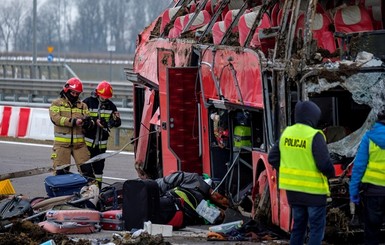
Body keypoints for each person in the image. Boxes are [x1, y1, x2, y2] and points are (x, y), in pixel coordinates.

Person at [268, 100, 335, 245]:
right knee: (316, 229)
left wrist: (287, 170)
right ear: (313, 117)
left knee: (298, 227)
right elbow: (324, 163)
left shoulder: (287, 133)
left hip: (294, 192)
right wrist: (331, 173)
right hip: (315, 193)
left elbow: (272, 157)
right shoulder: (314, 135)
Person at [349, 110, 385, 245]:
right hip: (373, 192)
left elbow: (359, 167)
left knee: (371, 232)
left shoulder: (369, 137)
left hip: (373, 193)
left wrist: (353, 193)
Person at [49, 77, 94, 177]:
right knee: (61, 173)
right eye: (72, 92)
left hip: (79, 145)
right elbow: (56, 119)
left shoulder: (83, 106)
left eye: (77, 93)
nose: (74, 95)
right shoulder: (56, 103)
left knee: (88, 172)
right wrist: (73, 121)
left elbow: (90, 121)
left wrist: (88, 123)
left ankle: (91, 191)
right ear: (67, 90)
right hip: (62, 145)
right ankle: (62, 192)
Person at [83, 81, 121, 188]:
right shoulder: (88, 102)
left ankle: (98, 191)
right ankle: (86, 190)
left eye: (107, 97)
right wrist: (95, 121)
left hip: (101, 145)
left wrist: (112, 122)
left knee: (99, 170)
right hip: (87, 144)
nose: (105, 99)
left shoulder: (111, 105)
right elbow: (83, 118)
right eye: (103, 96)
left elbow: (116, 122)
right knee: (86, 169)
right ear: (98, 93)